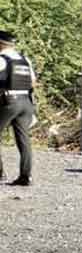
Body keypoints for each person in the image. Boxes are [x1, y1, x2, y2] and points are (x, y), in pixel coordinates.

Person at [0, 29, 36, 186]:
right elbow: (33, 82)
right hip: (26, 102)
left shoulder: (1, 59)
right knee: (24, 139)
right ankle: (25, 176)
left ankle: (0, 174)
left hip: (8, 101)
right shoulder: (24, 59)